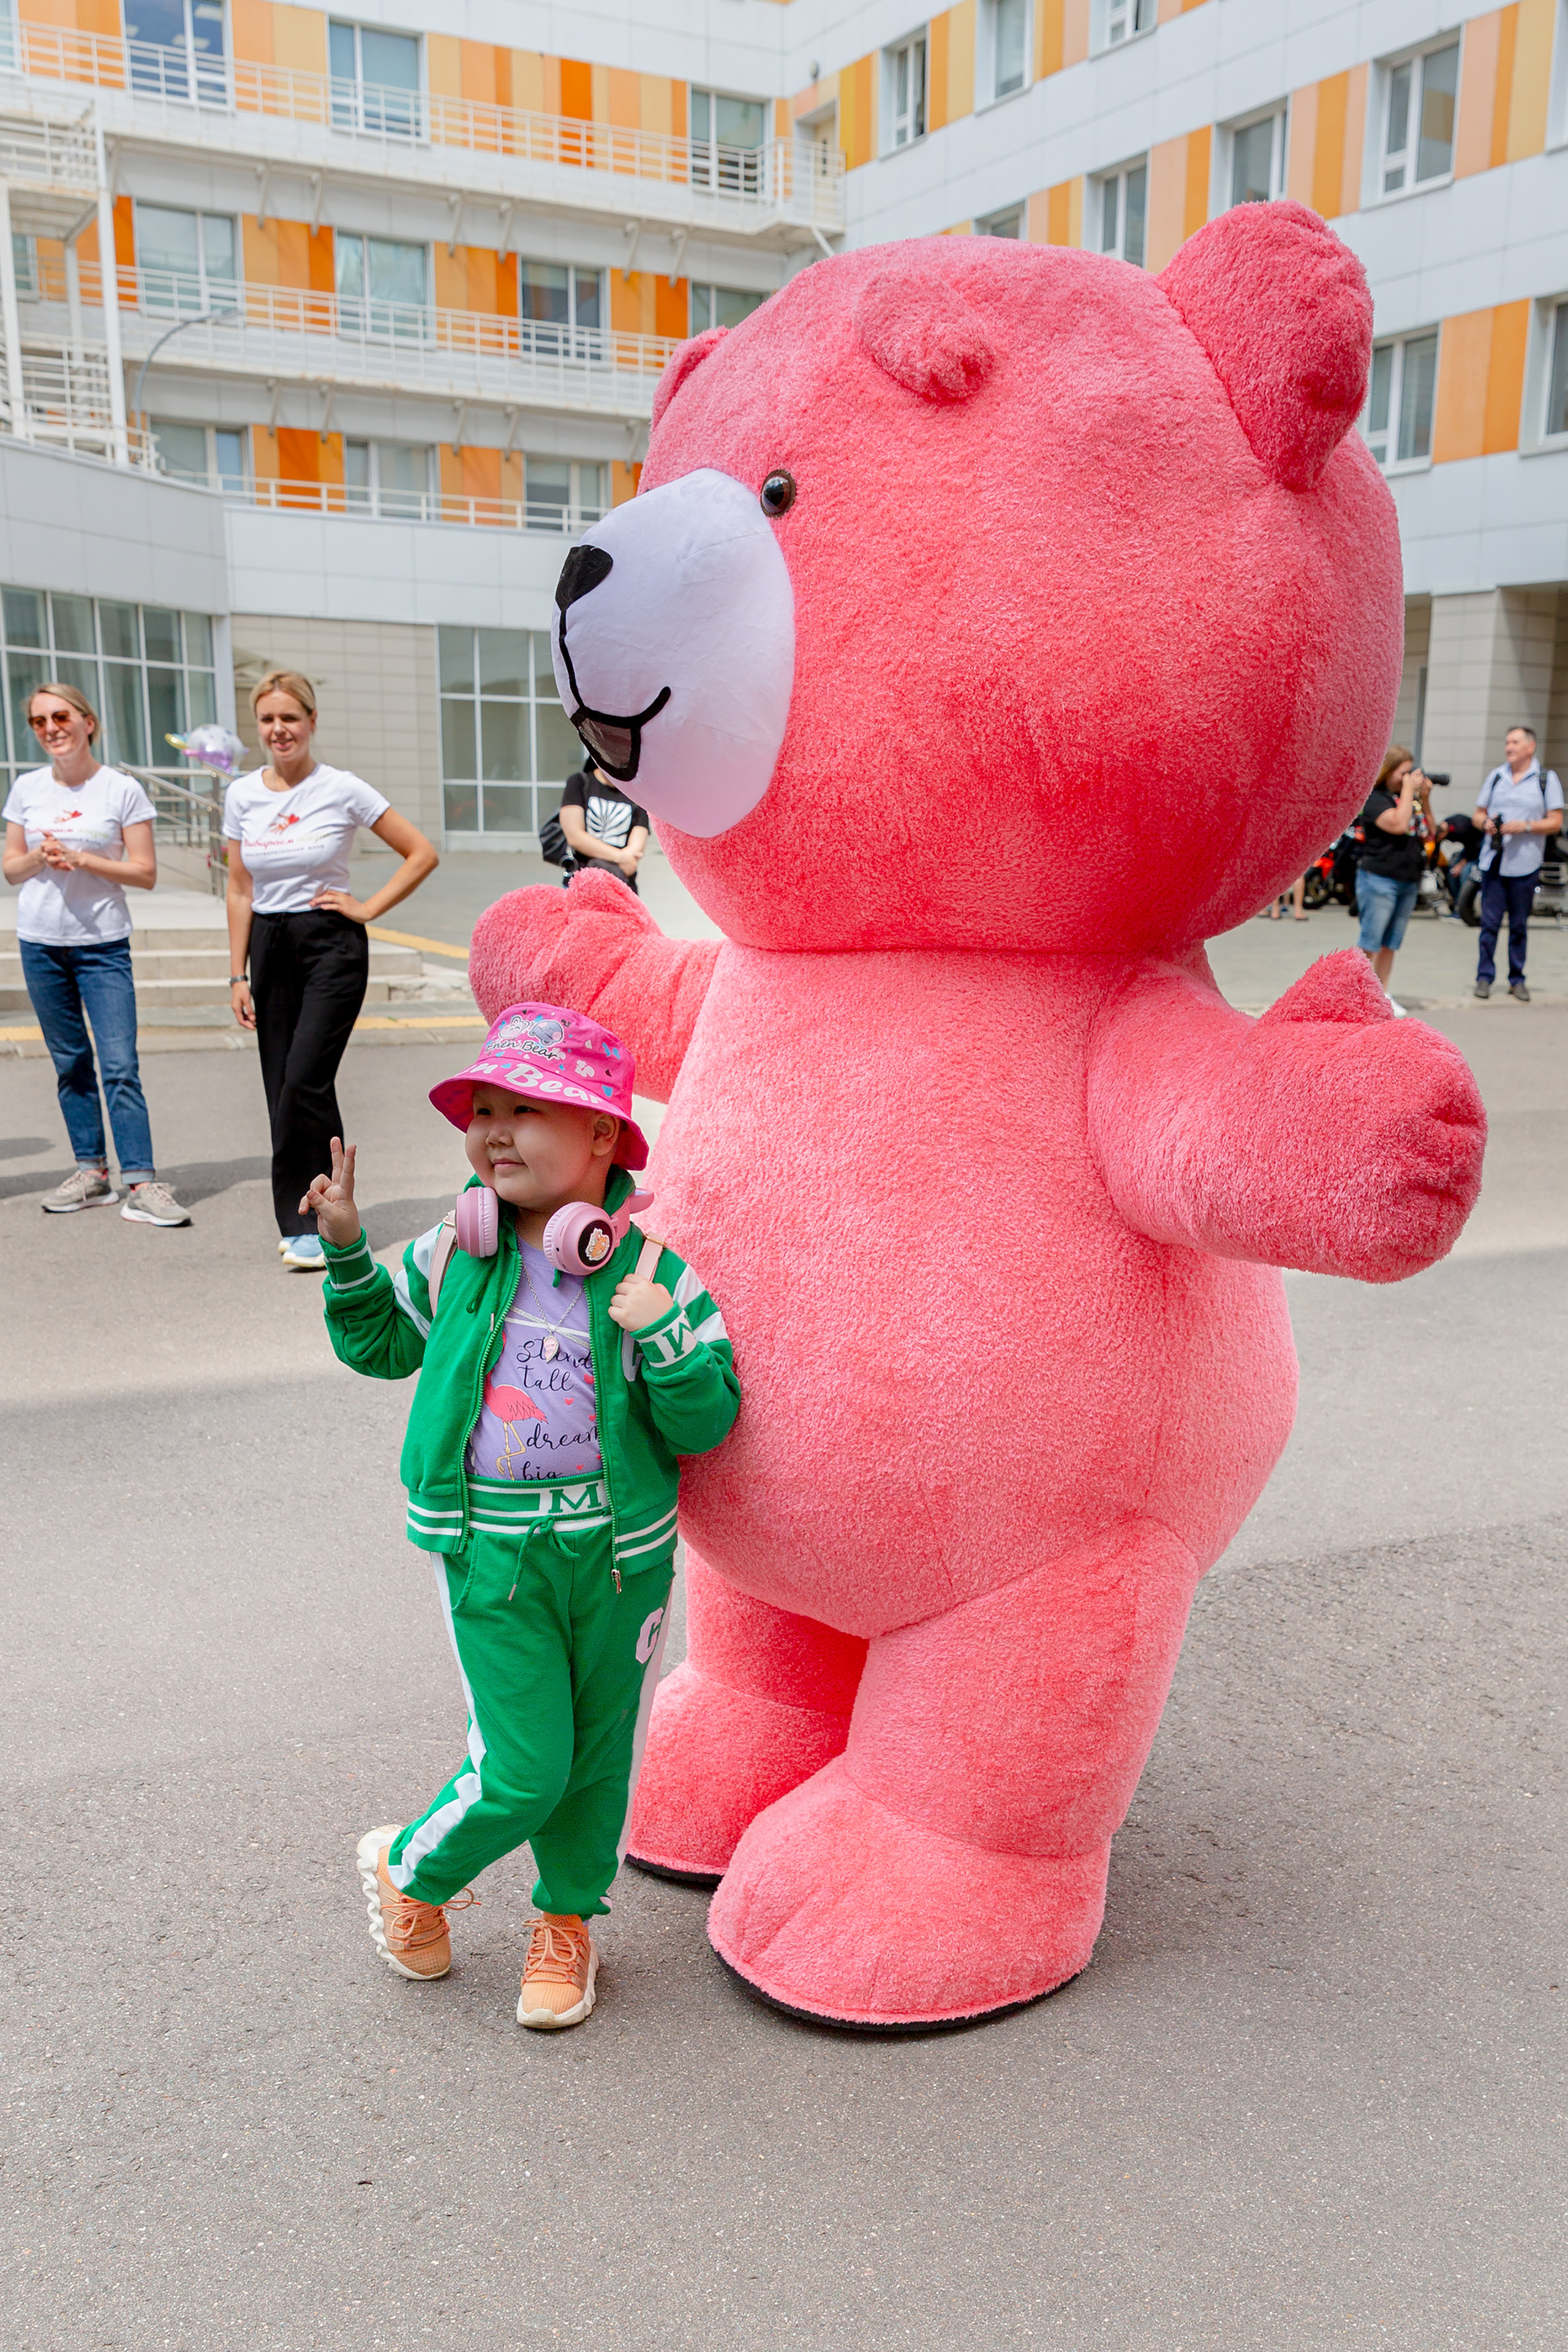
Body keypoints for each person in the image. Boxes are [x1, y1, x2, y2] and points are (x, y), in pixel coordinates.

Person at [303, 1001, 739, 2029]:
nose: (494, 1130)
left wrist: (666, 1336)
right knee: (525, 1764)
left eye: (525, 1110)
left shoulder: (650, 1274)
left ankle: (567, 1922)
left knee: (595, 1758)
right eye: (482, 1109)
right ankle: (415, 1863)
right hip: (492, 1554)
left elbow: (709, 1420)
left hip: (619, 1559)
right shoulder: (454, 1257)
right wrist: (349, 1252)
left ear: (601, 1138)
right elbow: (377, 1347)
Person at [225, 670, 437, 1267]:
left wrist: (367, 907)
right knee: (281, 1088)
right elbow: (239, 888)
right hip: (268, 944)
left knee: (304, 1079)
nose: (278, 729)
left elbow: (420, 852)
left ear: (312, 722)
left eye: (290, 718)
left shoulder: (342, 788)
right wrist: (236, 973)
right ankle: (308, 1219)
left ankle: (323, 1220)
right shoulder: (242, 795)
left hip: (331, 946)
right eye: (267, 719)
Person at [2, 682, 190, 1225]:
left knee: (120, 1066)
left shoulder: (121, 789)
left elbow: (145, 872)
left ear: (88, 722)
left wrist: (84, 859)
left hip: (102, 946)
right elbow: (10, 868)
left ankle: (142, 1181)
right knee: (70, 1064)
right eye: (39, 722)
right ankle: (92, 1173)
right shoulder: (27, 788)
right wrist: (41, 854)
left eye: (60, 716)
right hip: (40, 944)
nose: (51, 728)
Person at [1472, 725, 1564, 1002]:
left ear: (1530, 747)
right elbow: (1477, 814)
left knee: (1519, 925)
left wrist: (1525, 826)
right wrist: (1486, 823)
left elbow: (1556, 821)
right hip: (1494, 860)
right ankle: (1484, 978)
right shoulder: (1497, 776)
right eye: (1507, 742)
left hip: (1525, 863)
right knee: (1488, 924)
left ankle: (1517, 979)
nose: (1509, 747)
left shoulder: (1546, 778)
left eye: (1514, 742)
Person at [1355, 745, 1431, 1014]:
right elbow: (1399, 826)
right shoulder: (1376, 800)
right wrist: (1410, 791)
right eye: (1404, 773)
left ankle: (1383, 993)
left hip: (1408, 880)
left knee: (1391, 943)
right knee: (1370, 941)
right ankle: (1359, 995)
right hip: (1380, 879)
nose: (1408, 778)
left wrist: (1425, 798)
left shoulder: (1409, 799)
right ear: (1388, 771)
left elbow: (1429, 832)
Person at [557, 760, 650, 894]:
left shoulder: (637, 794)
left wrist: (626, 858)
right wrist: (620, 857)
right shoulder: (580, 782)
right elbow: (575, 836)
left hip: (621, 886)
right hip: (580, 884)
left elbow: (636, 848)